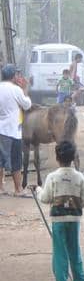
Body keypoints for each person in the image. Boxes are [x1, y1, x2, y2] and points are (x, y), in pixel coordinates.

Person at [36, 140, 84, 281]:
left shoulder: (52, 177)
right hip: (74, 220)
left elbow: (45, 198)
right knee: (75, 250)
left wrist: (38, 190)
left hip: (58, 221)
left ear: (57, 157)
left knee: (59, 252)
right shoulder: (79, 177)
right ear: (73, 158)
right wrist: (75, 205)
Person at [0, 63, 31, 196]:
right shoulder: (15, 89)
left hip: (1, 129)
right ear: (13, 76)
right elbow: (27, 105)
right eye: (17, 74)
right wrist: (24, 88)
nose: (18, 76)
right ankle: (18, 189)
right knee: (16, 160)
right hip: (13, 131)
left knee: (0, 160)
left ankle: (1, 189)